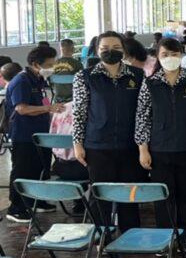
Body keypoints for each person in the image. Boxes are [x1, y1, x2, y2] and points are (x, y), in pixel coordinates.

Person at [72, 31, 147, 231]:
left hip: (130, 145)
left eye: (116, 48)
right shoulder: (85, 77)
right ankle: (100, 236)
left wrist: (143, 146)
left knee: (129, 195)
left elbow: (143, 113)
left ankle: (130, 235)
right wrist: (77, 144)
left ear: (123, 50)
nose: (110, 51)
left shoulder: (137, 75)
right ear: (97, 51)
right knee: (100, 196)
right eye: (105, 48)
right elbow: (79, 112)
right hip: (97, 145)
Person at [135, 38, 186, 253]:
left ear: (181, 55)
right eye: (165, 55)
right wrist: (143, 149)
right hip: (159, 149)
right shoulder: (150, 83)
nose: (170, 58)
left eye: (174, 54)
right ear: (158, 56)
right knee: (164, 196)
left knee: (185, 193)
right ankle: (164, 239)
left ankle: (184, 237)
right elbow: (142, 118)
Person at [4, 45, 61, 223]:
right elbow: (21, 109)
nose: (52, 68)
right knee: (23, 170)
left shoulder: (38, 79)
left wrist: (52, 112)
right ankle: (16, 208)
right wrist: (48, 108)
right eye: (49, 65)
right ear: (36, 64)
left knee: (40, 168)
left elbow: (43, 101)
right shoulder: (21, 81)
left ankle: (36, 200)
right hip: (24, 134)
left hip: (41, 133)